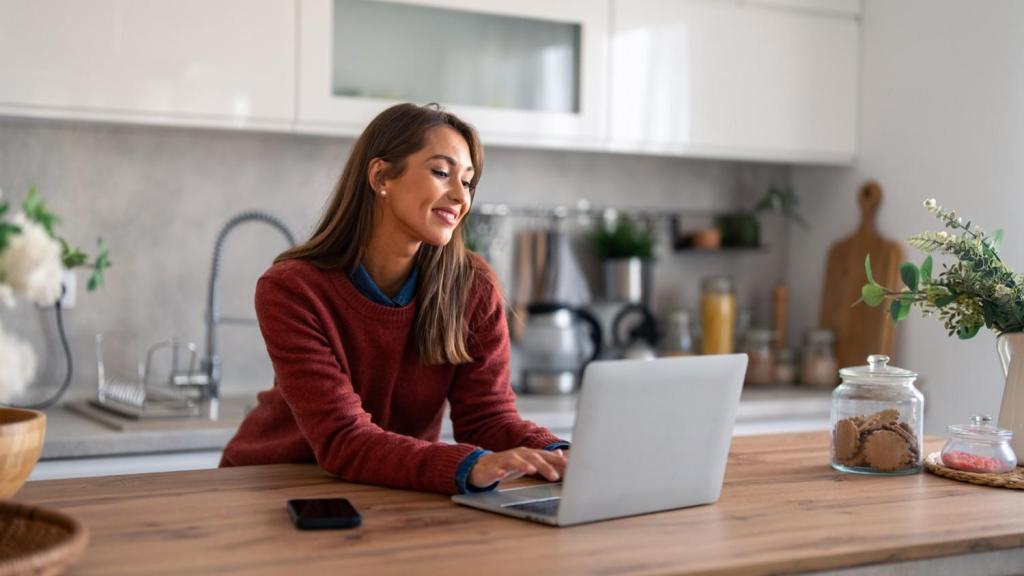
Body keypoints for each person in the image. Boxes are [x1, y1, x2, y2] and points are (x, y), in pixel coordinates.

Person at [220, 103, 568, 495]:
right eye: (441, 173)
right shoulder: (292, 289)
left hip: (388, 487)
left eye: (468, 182)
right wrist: (472, 465)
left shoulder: (473, 286)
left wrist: (559, 455)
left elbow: (487, 418)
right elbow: (343, 439)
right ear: (382, 175)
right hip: (272, 487)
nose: (461, 196)